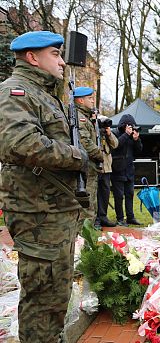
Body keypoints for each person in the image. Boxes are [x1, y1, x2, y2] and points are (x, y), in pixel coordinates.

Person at [0, 31, 89, 342]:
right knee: (41, 298)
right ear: (32, 57)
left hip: (54, 214)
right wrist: (76, 156)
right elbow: (19, 143)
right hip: (38, 215)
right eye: (55, 54)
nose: (62, 61)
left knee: (55, 295)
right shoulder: (15, 92)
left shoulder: (44, 94)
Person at [73, 87, 104, 229]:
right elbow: (85, 142)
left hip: (90, 168)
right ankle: (83, 240)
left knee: (91, 205)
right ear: (80, 100)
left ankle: (86, 238)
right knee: (86, 207)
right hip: (85, 168)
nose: (93, 101)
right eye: (89, 98)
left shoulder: (86, 117)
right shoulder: (79, 118)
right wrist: (100, 155)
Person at [111, 114, 143, 226]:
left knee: (129, 194)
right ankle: (120, 218)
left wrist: (136, 139)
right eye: (129, 126)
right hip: (117, 169)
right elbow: (116, 146)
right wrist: (126, 134)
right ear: (124, 125)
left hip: (129, 170)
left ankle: (130, 217)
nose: (132, 128)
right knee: (118, 196)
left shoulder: (132, 135)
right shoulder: (114, 133)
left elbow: (139, 150)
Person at [95, 114, 118, 228]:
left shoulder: (107, 134)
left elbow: (115, 144)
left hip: (106, 168)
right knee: (95, 194)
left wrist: (109, 133)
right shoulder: (93, 131)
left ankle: (103, 216)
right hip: (95, 168)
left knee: (105, 193)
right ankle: (96, 218)